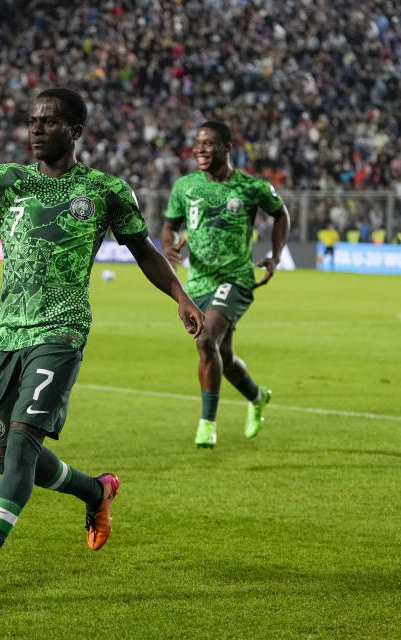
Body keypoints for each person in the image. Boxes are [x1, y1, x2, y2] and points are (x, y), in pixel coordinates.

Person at [0, 61, 203, 606]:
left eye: (48, 121)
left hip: (61, 331)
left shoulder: (104, 190)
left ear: (74, 131)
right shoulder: (9, 181)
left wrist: (182, 298)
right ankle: (96, 491)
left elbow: (144, 250)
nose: (36, 129)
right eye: (32, 121)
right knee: (7, 460)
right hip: (7, 333)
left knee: (21, 454)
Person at [160, 121, 290, 448]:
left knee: (205, 341)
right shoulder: (185, 187)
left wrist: (275, 256)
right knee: (224, 357)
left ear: (227, 147)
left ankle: (207, 423)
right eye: (197, 143)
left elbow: (281, 214)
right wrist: (169, 246)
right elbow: (169, 227)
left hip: (236, 279)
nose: (200, 149)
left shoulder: (251, 187)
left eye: (209, 143)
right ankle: (258, 398)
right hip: (198, 281)